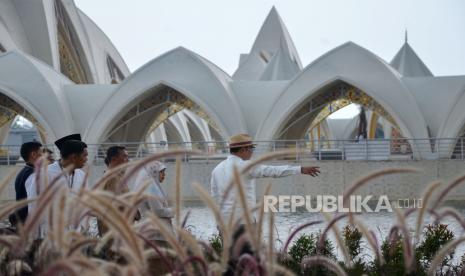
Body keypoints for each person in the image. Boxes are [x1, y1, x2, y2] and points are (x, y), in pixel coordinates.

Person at [211, 133, 321, 223]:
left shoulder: (217, 169)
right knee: (248, 251)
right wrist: (299, 169)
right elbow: (271, 171)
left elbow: (214, 198)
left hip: (224, 224)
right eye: (251, 149)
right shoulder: (245, 166)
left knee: (229, 251)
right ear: (244, 149)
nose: (251, 152)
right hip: (244, 222)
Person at [26, 134, 88, 239]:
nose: (86, 159)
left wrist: (83, 227)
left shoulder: (81, 175)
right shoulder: (44, 174)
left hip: (76, 235)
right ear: (73, 157)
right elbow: (34, 206)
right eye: (84, 155)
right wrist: (37, 237)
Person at [97, 145, 139, 236]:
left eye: (128, 157)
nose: (128, 160)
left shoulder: (116, 176)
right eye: (124, 157)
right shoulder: (112, 178)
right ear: (114, 159)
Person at [134, 161, 173, 242]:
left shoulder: (148, 185)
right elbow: (158, 211)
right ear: (154, 172)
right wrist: (173, 211)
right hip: (154, 231)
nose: (164, 175)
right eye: (162, 172)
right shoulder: (151, 188)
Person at [8, 141, 43, 227]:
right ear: (34, 154)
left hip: (22, 218)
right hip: (29, 222)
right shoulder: (33, 174)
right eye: (42, 153)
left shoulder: (23, 172)